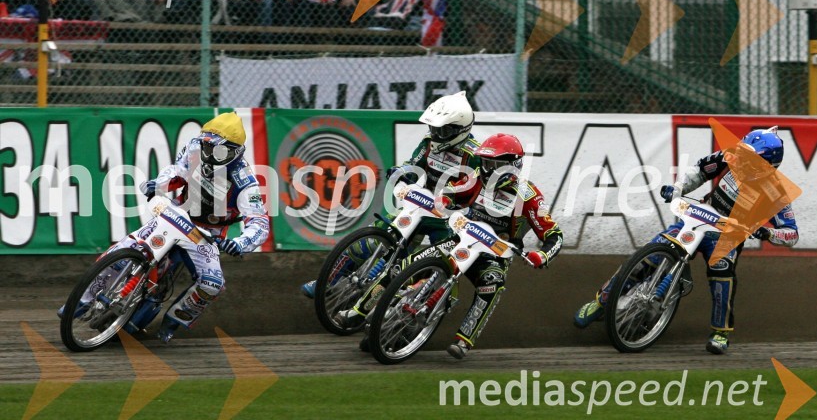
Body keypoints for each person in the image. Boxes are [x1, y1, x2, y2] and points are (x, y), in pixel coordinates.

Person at [573, 127, 798, 355]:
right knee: (650, 254)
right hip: (700, 214)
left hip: (727, 235)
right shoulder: (731, 156)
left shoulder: (777, 193)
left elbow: (791, 233)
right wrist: (677, 188)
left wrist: (768, 234)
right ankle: (603, 301)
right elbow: (700, 170)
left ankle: (721, 332)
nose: (743, 159)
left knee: (722, 275)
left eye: (751, 157)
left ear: (768, 164)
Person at [59, 112, 270, 343]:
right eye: (207, 147)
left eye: (218, 150)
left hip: (207, 235)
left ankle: (174, 321)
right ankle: (81, 301)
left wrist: (239, 243)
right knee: (127, 247)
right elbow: (177, 171)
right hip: (177, 213)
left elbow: (259, 223)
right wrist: (157, 185)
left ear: (235, 152)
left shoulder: (246, 182)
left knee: (213, 284)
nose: (210, 154)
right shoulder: (195, 147)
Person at [300, 90, 480, 311]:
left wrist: (451, 195)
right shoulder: (428, 142)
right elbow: (412, 164)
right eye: (434, 128)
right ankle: (327, 283)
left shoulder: (474, 155)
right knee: (366, 244)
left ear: (459, 130)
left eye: (442, 130)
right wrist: (401, 172)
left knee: (434, 268)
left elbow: (472, 187)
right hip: (418, 208)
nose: (435, 134)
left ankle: (409, 316)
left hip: (448, 220)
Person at [439, 133, 563, 359]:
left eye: (495, 165)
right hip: (458, 239)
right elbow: (450, 190)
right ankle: (374, 306)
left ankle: (464, 340)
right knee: (418, 258)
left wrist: (542, 256)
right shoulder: (475, 177)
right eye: (486, 163)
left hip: (494, 254)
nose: (487, 170)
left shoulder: (529, 196)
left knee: (493, 282)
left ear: (513, 166)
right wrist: (446, 200)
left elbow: (554, 234)